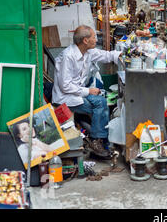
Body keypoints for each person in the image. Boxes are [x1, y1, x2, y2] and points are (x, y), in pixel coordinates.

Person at [52, 25, 122, 158]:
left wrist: (120, 54)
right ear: (85, 40)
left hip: (78, 92)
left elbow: (105, 55)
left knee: (101, 102)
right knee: (99, 105)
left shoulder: (87, 52)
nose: (96, 40)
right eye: (94, 37)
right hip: (66, 97)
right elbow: (65, 86)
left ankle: (97, 139)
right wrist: (88, 91)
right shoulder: (68, 56)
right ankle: (97, 141)